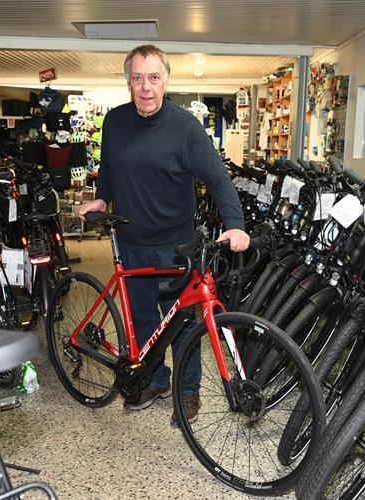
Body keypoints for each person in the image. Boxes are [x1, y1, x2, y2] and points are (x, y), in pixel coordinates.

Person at [80, 45, 249, 424]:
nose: (146, 87)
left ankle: (187, 391)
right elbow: (108, 168)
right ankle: (156, 381)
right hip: (130, 242)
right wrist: (102, 197)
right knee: (142, 321)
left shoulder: (185, 128)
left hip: (177, 247)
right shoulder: (114, 122)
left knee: (184, 325)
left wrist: (235, 223)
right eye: (138, 78)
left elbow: (217, 178)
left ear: (166, 81)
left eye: (153, 78)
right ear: (128, 82)